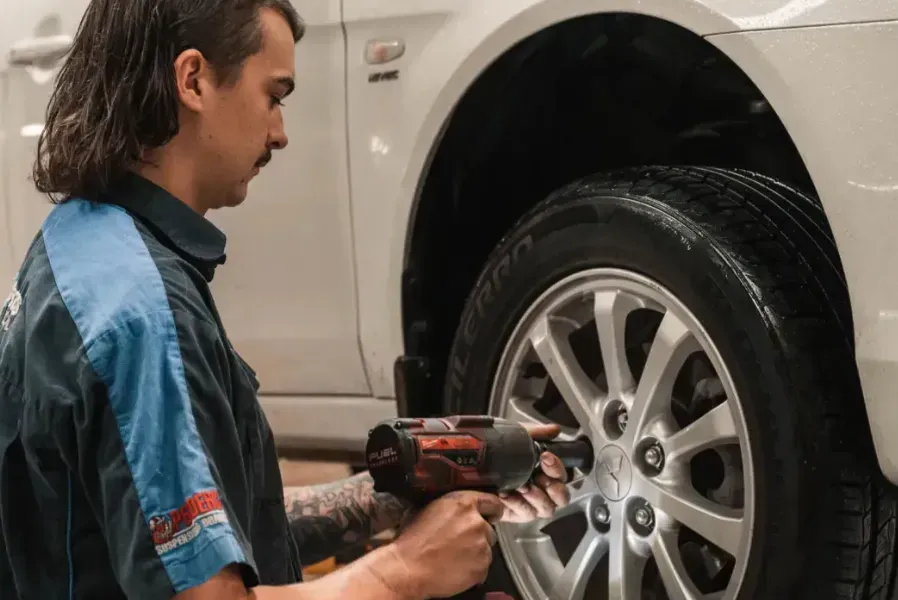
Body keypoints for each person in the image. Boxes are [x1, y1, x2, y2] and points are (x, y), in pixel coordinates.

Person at [0, 1, 572, 599]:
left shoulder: (77, 243)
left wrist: (398, 493)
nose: (280, 132)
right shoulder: (143, 317)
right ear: (192, 80)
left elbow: (195, 524)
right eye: (274, 96)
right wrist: (402, 570)